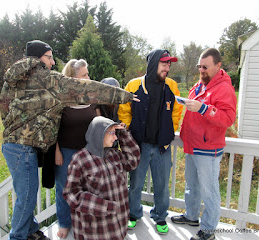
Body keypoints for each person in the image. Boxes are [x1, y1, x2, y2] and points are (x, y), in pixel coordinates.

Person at [0, 40, 139, 240]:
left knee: (27, 194)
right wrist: (123, 95)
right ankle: (18, 236)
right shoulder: (48, 80)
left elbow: (4, 109)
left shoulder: (13, 79)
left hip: (13, 144)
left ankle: (30, 231)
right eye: (49, 57)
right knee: (27, 197)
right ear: (38, 58)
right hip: (22, 147)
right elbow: (87, 88)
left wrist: (16, 128)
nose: (53, 62)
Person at [171, 48, 237, 240]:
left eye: (206, 67)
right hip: (192, 145)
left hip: (208, 149)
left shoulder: (224, 88)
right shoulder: (200, 84)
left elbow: (228, 118)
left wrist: (204, 108)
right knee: (191, 185)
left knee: (210, 191)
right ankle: (191, 216)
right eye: (200, 66)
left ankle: (208, 229)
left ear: (218, 66)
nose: (202, 70)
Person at [118, 49, 183, 235]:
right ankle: (133, 214)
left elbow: (177, 111)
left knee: (162, 184)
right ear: (154, 64)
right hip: (139, 145)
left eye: (169, 64)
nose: (167, 67)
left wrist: (169, 132)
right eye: (164, 63)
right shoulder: (133, 85)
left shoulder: (171, 85)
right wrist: (130, 134)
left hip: (162, 146)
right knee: (136, 182)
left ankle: (160, 216)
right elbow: (124, 110)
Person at [63, 116, 140, 240]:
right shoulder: (80, 159)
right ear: (99, 133)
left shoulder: (115, 155)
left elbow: (133, 160)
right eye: (112, 133)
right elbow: (71, 194)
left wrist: (123, 133)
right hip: (95, 231)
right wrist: (104, 206)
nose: (115, 138)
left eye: (115, 134)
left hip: (118, 227)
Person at [54, 59, 98, 239]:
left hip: (87, 151)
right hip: (65, 151)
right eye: (84, 75)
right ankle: (64, 222)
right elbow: (52, 128)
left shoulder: (91, 96)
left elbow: (98, 121)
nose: (89, 77)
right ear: (73, 78)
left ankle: (83, 220)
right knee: (64, 187)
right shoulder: (60, 99)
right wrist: (56, 151)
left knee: (87, 187)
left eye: (88, 73)